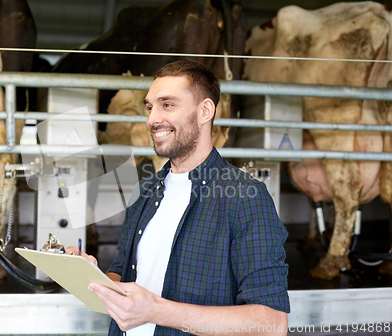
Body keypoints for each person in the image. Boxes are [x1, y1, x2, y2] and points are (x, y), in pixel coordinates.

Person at [67, 60, 290, 336]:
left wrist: (157, 311)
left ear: (205, 111)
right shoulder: (146, 191)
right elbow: (124, 277)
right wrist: (90, 278)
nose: (152, 119)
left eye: (167, 105)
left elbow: (271, 324)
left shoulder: (245, 197)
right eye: (149, 107)